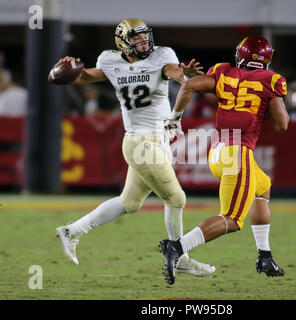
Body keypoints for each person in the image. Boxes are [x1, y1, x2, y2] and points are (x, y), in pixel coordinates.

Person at [55, 18, 215, 277]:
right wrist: (67, 69)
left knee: (129, 202)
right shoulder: (110, 61)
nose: (143, 42)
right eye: (136, 39)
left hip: (158, 140)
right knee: (176, 198)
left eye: (145, 37)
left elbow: (174, 72)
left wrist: (187, 75)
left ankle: (72, 231)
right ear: (122, 43)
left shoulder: (162, 56)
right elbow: (86, 76)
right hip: (141, 141)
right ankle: (180, 256)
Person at [160, 36, 289, 285]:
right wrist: (276, 99)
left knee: (263, 187)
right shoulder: (272, 81)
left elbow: (188, 87)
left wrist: (175, 118)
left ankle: (265, 255)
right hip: (238, 153)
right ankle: (176, 247)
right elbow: (281, 125)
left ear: (240, 55)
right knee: (231, 218)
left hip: (217, 150)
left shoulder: (223, 71)